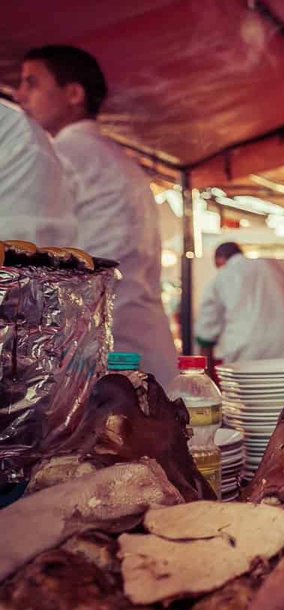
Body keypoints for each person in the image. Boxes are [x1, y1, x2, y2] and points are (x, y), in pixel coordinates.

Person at [16, 45, 177, 382]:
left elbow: (25, 245)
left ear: (74, 94)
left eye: (32, 83)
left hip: (98, 346)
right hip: (146, 337)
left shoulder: (57, 156)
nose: (20, 95)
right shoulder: (121, 161)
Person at [195, 242, 284, 365]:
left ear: (220, 260)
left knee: (251, 384)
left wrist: (206, 375)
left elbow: (206, 335)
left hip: (245, 354)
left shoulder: (219, 279)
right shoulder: (276, 264)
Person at [0, 99, 77, 246]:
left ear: (74, 94)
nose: (19, 95)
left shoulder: (17, 134)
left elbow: (18, 242)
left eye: (32, 87)